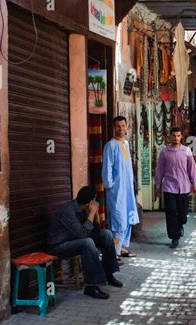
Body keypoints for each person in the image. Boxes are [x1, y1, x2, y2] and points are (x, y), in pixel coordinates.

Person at [47, 186, 122, 300]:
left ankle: (108, 275)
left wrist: (95, 213)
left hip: (73, 239)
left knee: (106, 234)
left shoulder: (82, 209)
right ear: (89, 202)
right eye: (94, 200)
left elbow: (96, 229)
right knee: (87, 242)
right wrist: (91, 213)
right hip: (59, 246)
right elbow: (83, 234)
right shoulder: (68, 211)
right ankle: (91, 286)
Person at [155, 126, 196, 248]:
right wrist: (157, 187)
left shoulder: (186, 151)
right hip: (169, 187)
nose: (176, 138)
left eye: (178, 136)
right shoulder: (164, 152)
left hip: (184, 187)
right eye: (174, 136)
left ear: (181, 137)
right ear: (170, 137)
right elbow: (159, 170)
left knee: (183, 214)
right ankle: (174, 237)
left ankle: (180, 225)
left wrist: (194, 184)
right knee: (171, 213)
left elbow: (192, 169)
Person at [102, 116, 138, 258]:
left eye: (123, 126)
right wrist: (110, 186)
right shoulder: (110, 145)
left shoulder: (126, 144)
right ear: (114, 127)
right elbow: (107, 168)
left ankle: (122, 248)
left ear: (126, 126)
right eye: (118, 126)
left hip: (127, 189)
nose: (121, 129)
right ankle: (114, 254)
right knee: (119, 221)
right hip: (116, 190)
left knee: (128, 219)